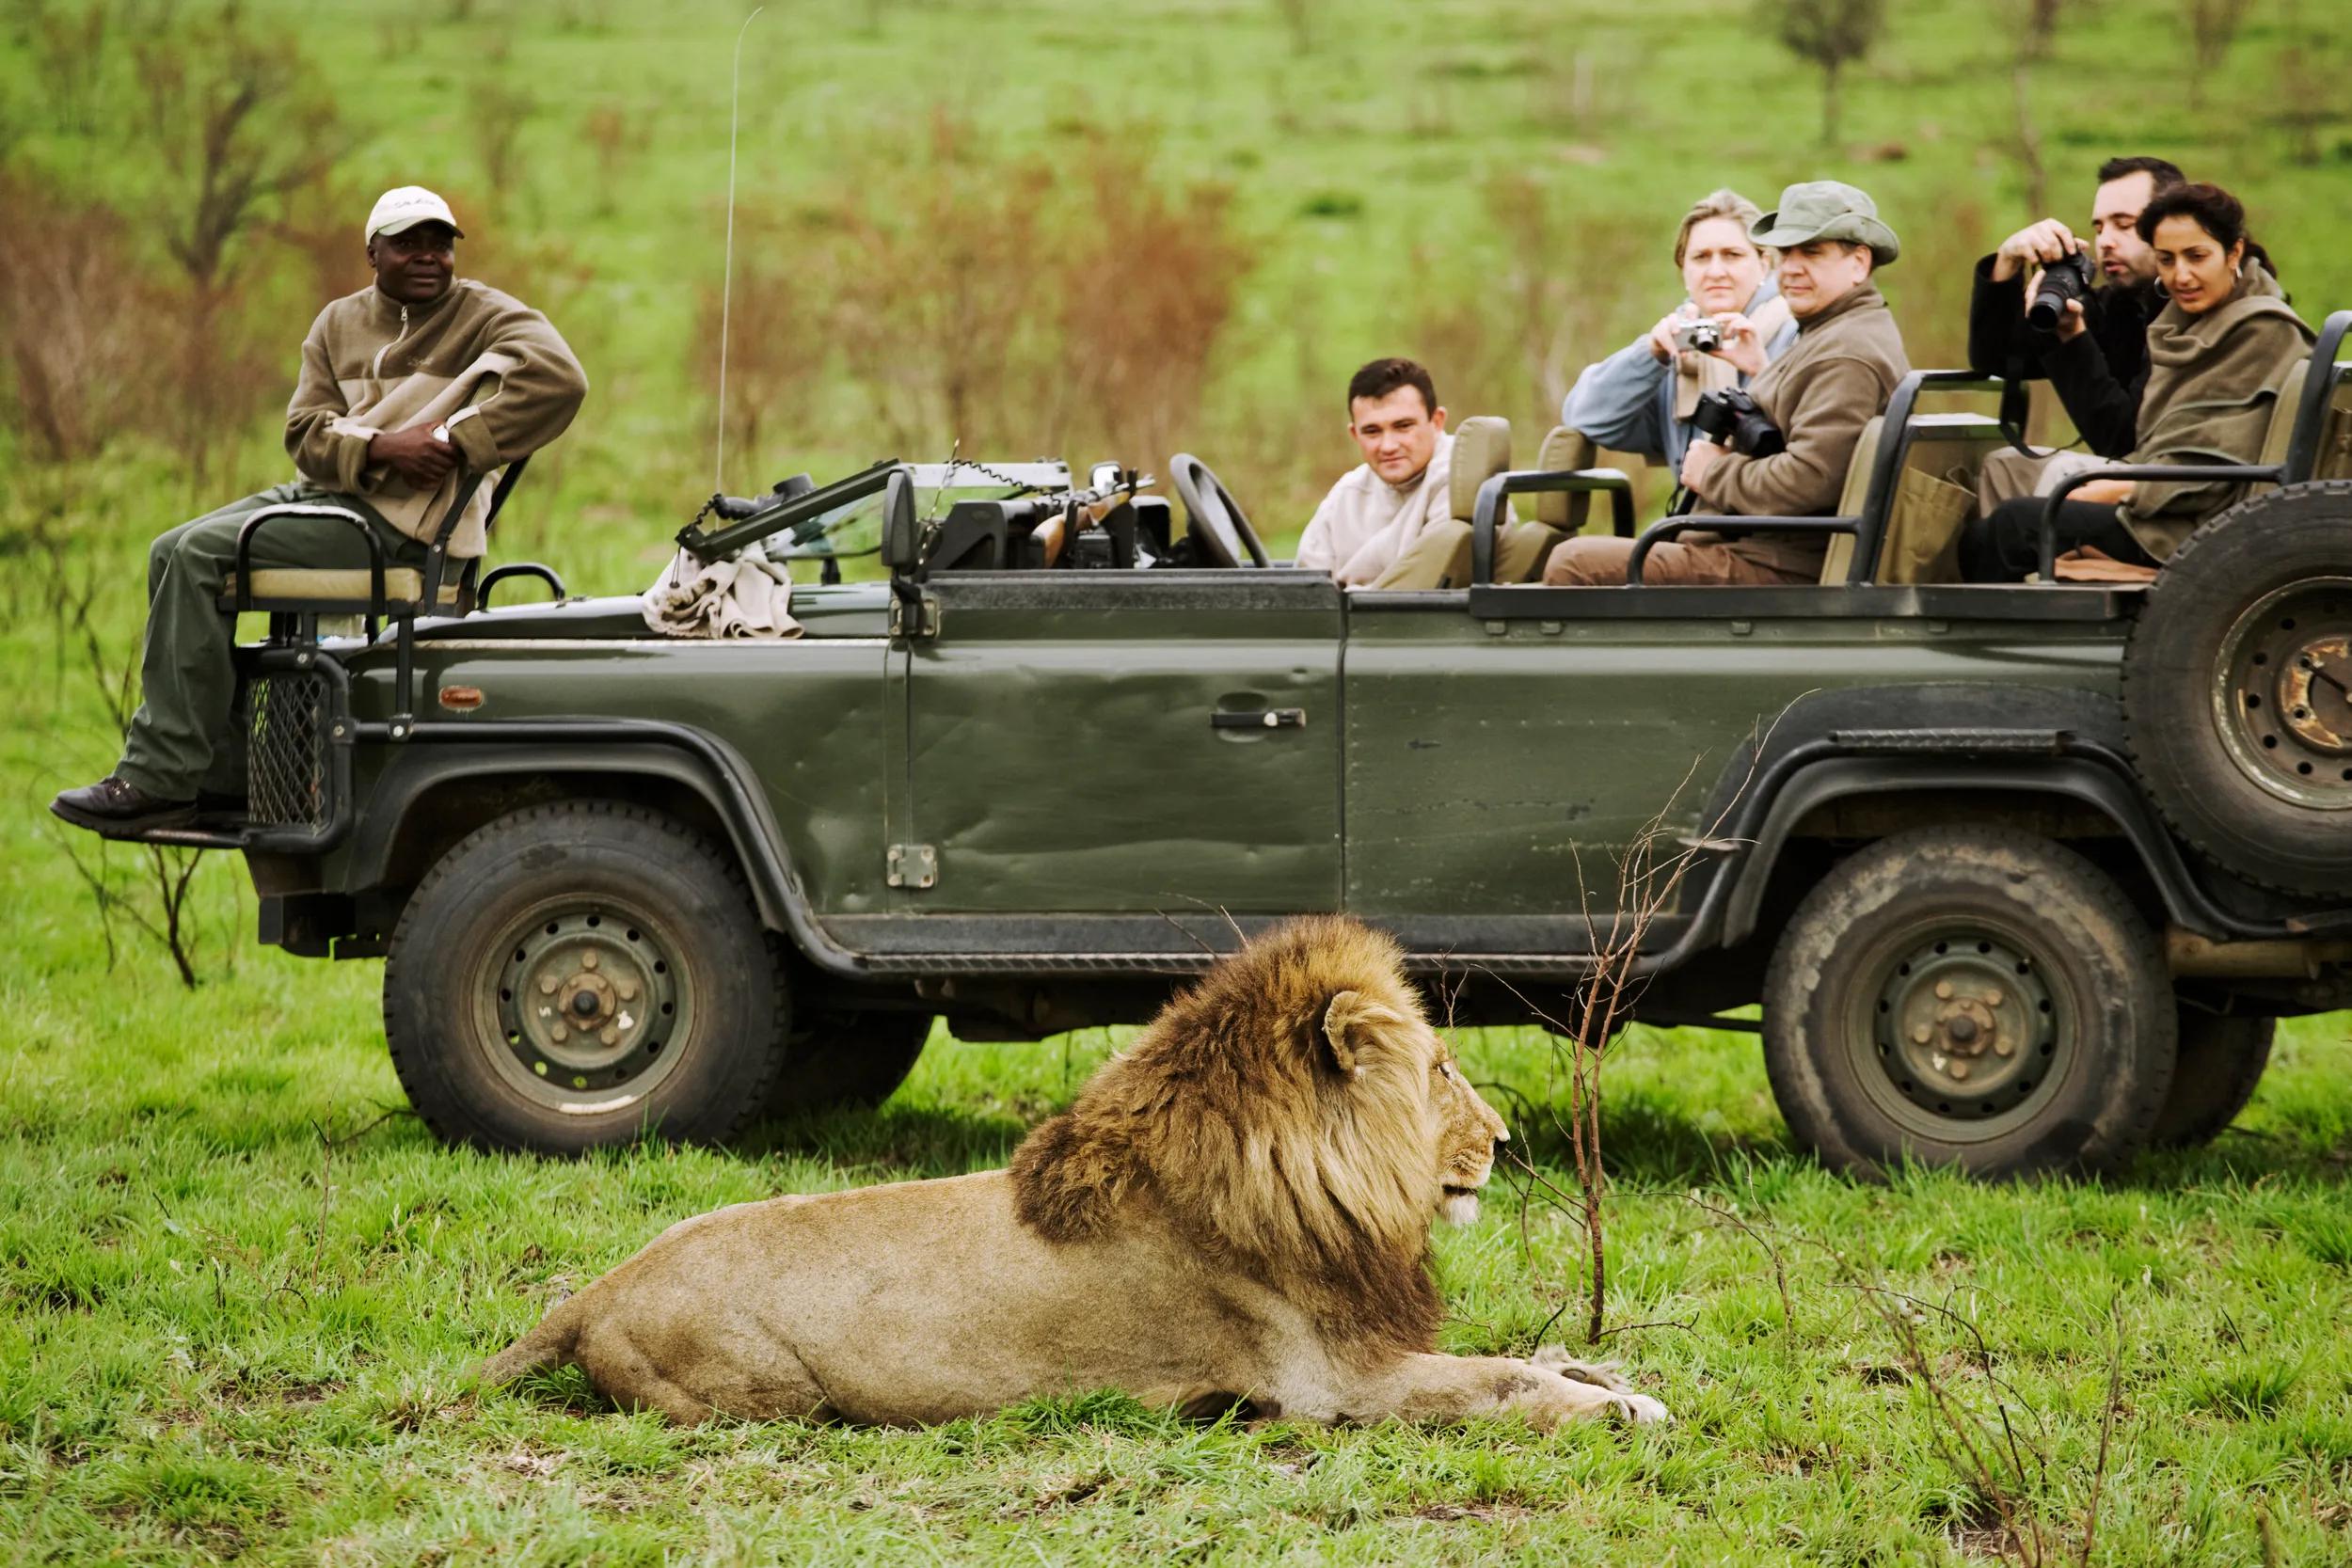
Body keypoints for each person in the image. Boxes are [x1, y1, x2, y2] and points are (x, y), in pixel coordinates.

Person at [52, 186, 589, 835]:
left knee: (198, 557)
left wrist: (455, 441)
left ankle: (158, 779)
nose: (429, 257)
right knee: (169, 547)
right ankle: (214, 779)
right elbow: (304, 434)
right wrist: (382, 445)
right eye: (409, 243)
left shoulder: (485, 314)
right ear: (373, 252)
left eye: (440, 244)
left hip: (399, 529)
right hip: (329, 497)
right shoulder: (338, 323)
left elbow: (563, 380)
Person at [1544, 181, 1911, 586]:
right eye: (1786, 251)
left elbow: (1809, 479)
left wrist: (1712, 474)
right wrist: (1656, 352)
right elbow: (1590, 417)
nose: (1793, 267)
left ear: (1859, 263)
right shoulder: (1827, 332)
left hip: (1777, 561)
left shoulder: (1841, 350)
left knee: (1575, 562)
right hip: (1753, 545)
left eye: (1812, 252)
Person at [1960, 182, 2312, 582]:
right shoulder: (2181, 323)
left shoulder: (2261, 331)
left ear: (2234, 253)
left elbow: (2217, 464)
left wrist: (2114, 489)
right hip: (2165, 501)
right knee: (1991, 516)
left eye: (2196, 256)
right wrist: (2014, 270)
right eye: (2166, 259)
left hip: (2193, 524)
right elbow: (1998, 356)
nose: (2181, 275)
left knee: (2011, 527)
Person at [1968, 155, 2184, 508]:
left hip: (2163, 494)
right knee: (2002, 466)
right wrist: (2007, 263)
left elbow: (2122, 440)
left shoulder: (2190, 312)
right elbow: (1996, 358)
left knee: (2039, 496)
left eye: (2124, 225)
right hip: (2126, 481)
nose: (2107, 242)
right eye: (2099, 229)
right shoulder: (2121, 304)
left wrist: (2073, 337)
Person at [1559, 188, 1800, 473]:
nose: (1715, 271)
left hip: (1773, 513)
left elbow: (1811, 445)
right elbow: (1587, 417)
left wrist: (1762, 372)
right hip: (1695, 516)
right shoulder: (1680, 350)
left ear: (1764, 264)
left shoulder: (1796, 333)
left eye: (1732, 255)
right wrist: (1651, 354)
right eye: (1701, 257)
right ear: (1683, 270)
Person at [1295, 357, 1458, 586]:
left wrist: (1346, 596)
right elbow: (1307, 592)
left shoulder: (1461, 479)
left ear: (1437, 421)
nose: (1388, 446)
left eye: (1403, 426)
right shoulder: (1346, 494)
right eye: (1372, 431)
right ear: (1354, 435)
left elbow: (1427, 587)